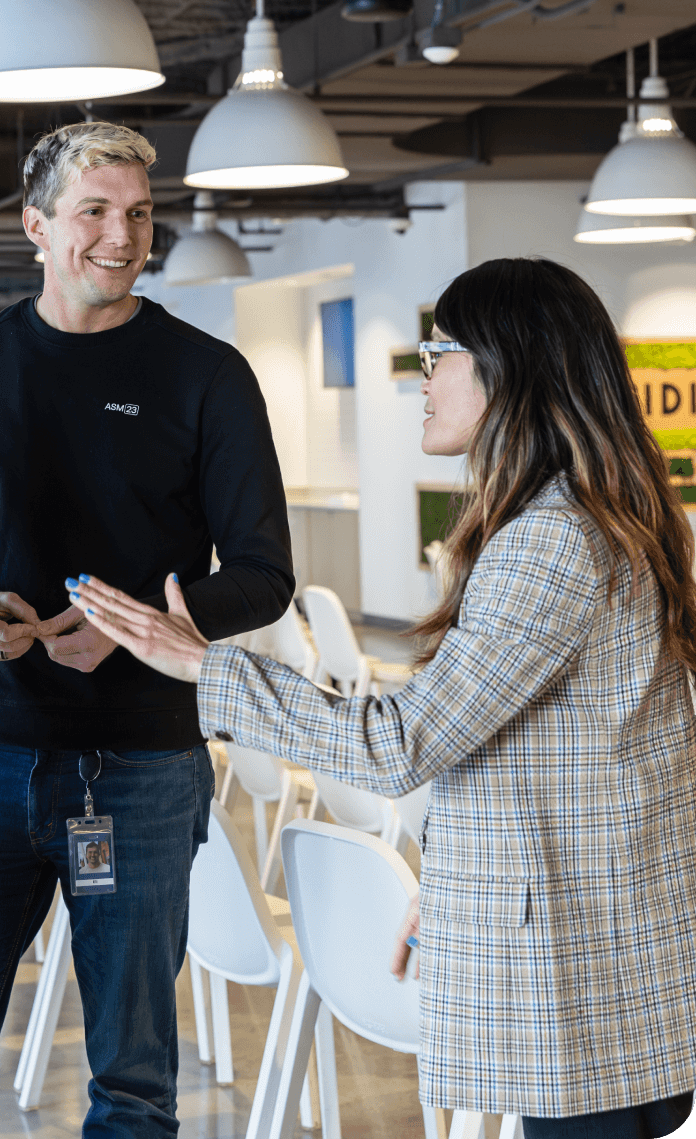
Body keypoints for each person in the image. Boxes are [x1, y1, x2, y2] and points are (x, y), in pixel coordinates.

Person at [66, 257, 696, 1139]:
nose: (423, 378)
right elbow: (560, 756)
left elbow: (400, 743)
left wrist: (204, 666)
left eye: (441, 353)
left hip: (582, 964)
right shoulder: (580, 520)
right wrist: (456, 882)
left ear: (510, 369)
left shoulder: (551, 541)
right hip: (595, 945)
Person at [0, 121, 294, 1136]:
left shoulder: (207, 374)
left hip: (141, 769)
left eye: (139, 214)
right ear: (35, 225)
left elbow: (263, 575)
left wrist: (142, 624)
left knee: (134, 1087)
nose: (121, 235)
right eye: (93, 212)